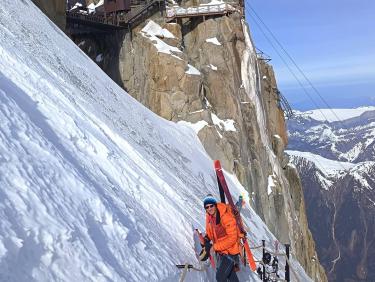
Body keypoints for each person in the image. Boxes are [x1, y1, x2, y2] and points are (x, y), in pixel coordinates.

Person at [200, 194, 240, 282]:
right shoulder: (211, 218)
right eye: (207, 207)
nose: (209, 208)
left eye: (211, 206)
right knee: (230, 276)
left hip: (231, 252)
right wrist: (206, 239)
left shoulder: (225, 216)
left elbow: (233, 238)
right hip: (222, 252)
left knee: (220, 277)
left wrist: (214, 247)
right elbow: (211, 233)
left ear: (215, 205)